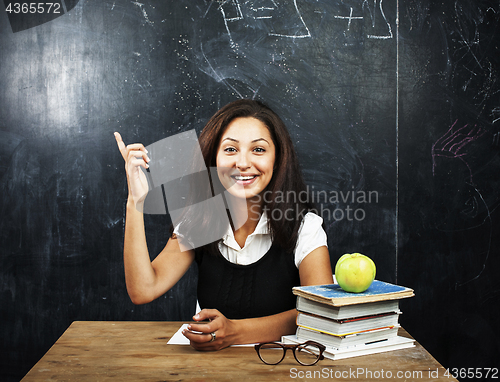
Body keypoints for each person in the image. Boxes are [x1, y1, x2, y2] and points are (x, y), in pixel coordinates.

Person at [114, 99, 333, 351]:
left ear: (278, 158)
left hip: (283, 370)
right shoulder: (198, 221)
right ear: (213, 159)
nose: (242, 163)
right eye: (230, 150)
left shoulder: (305, 227)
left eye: (258, 150)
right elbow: (143, 290)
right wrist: (135, 201)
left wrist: (236, 332)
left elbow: (320, 315)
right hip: (211, 372)